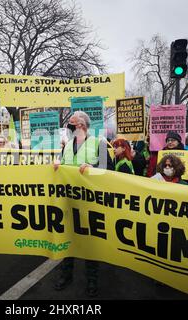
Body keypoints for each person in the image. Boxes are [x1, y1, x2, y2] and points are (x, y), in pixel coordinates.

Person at [53, 111, 113, 297]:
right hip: (69, 201)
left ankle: (92, 279)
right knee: (67, 238)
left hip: (90, 202)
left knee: (89, 242)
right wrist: (57, 165)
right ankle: (66, 274)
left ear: (83, 125)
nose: (69, 126)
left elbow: (109, 170)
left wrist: (92, 168)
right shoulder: (67, 146)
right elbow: (63, 168)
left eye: (72, 123)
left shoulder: (99, 143)